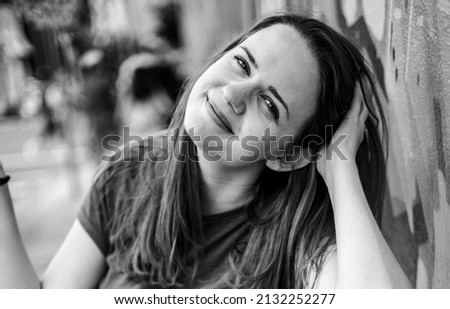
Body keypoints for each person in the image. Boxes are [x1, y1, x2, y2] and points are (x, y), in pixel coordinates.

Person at [0, 13, 411, 289]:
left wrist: (340, 170)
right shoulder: (129, 172)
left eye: (269, 105)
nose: (233, 94)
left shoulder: (298, 240)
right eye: (242, 64)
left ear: (289, 155)